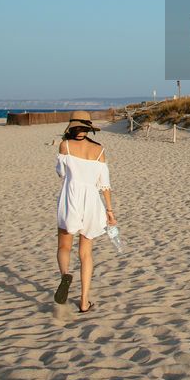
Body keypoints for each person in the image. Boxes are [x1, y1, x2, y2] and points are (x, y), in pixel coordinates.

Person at [53, 111, 116, 313]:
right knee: (85, 253)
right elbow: (104, 184)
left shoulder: (66, 146)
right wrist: (109, 210)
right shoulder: (99, 150)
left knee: (64, 246)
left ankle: (65, 275)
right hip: (91, 200)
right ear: (89, 128)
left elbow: (61, 172)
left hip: (71, 196)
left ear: (71, 127)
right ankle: (84, 300)